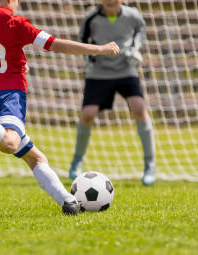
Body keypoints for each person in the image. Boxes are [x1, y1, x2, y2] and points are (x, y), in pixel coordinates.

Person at [0, 0, 120, 215]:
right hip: (10, 96)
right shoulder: (15, 23)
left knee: (35, 158)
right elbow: (56, 44)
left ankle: (68, 202)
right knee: (10, 142)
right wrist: (99, 48)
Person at [68, 0, 156, 185]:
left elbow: (141, 29)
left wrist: (135, 49)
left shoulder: (133, 15)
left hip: (126, 70)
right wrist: (90, 59)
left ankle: (150, 165)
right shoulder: (91, 18)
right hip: (99, 73)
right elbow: (82, 39)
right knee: (87, 115)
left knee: (139, 108)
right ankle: (77, 161)